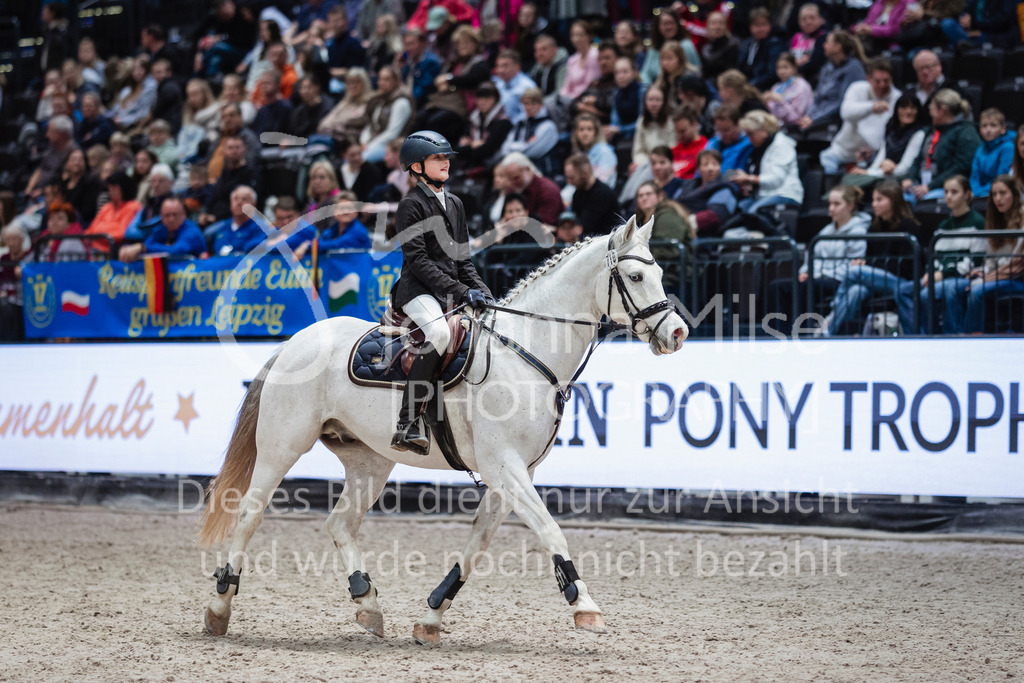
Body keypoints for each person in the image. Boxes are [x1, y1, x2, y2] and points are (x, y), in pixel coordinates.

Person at [387, 131, 493, 455]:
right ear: (417, 166)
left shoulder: (456, 204)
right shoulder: (410, 205)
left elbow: (463, 260)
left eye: (447, 157)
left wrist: (483, 292)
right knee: (439, 333)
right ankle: (407, 423)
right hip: (416, 290)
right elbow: (418, 262)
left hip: (447, 290)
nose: (446, 162)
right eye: (438, 158)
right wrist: (462, 291)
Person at [768, 185, 871, 335]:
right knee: (777, 286)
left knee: (806, 287)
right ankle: (777, 334)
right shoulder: (826, 230)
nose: (831, 208)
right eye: (830, 204)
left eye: (836, 204)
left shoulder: (858, 231)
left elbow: (853, 266)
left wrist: (817, 275)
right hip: (817, 277)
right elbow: (812, 256)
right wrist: (805, 271)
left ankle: (801, 333)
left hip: (838, 280)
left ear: (850, 206)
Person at [821, 181, 920, 335]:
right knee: (856, 291)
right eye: (873, 200)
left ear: (893, 201)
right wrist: (867, 263)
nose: (874, 204)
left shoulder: (908, 227)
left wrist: (869, 266)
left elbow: (905, 266)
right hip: (877, 279)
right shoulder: (875, 227)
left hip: (901, 282)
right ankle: (835, 334)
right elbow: (871, 257)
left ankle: (831, 315)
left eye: (879, 200)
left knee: (854, 272)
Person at [895, 175, 986, 333]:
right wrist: (930, 273)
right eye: (946, 192)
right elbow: (934, 256)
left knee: (940, 291)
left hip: (963, 277)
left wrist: (943, 274)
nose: (948, 196)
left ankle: (951, 336)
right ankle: (916, 335)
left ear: (967, 194)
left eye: (954, 192)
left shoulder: (977, 222)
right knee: (903, 290)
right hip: (938, 277)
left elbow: (976, 260)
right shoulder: (943, 225)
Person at [942, 175, 1024, 333]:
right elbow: (991, 259)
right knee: (954, 287)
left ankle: (973, 337)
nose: (998, 199)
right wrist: (983, 271)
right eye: (994, 194)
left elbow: (1017, 266)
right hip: (998, 275)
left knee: (977, 290)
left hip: (1017, 278)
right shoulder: (995, 220)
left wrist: (987, 278)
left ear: (1014, 194)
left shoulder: (1022, 219)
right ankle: (953, 335)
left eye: (1003, 193)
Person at [819, 57, 900, 174]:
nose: (882, 85)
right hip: (843, 152)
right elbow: (845, 112)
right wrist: (872, 107)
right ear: (869, 79)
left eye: (886, 80)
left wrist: (872, 152)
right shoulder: (857, 88)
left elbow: (888, 134)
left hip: (872, 158)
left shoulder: (897, 98)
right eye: (877, 81)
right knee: (826, 166)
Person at [902, 89, 980, 201]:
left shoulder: (966, 132)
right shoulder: (931, 131)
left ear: (942, 110)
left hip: (945, 188)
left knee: (923, 201)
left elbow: (961, 167)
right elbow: (918, 159)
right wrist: (909, 178)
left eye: (932, 108)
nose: (929, 112)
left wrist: (930, 186)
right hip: (921, 186)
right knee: (894, 199)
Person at [844, 94, 926, 189]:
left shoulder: (919, 133)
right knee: (852, 177)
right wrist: (872, 170)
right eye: (904, 107)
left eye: (912, 108)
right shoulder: (891, 127)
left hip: (902, 180)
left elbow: (904, 169)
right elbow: (882, 155)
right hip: (883, 174)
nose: (908, 111)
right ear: (897, 109)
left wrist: (869, 173)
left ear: (918, 111)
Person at [733, 110, 804, 213]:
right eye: (747, 135)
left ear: (764, 131)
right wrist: (748, 184)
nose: (749, 139)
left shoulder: (781, 145)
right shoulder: (759, 149)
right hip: (763, 196)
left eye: (751, 134)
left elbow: (776, 180)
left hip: (785, 195)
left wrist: (749, 178)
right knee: (738, 209)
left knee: (753, 213)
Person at [797, 30, 867, 131]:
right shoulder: (827, 67)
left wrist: (814, 120)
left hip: (837, 121)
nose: (824, 45)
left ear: (837, 47)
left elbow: (842, 103)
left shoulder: (853, 68)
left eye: (827, 42)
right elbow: (817, 98)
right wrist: (809, 116)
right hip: (818, 117)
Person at [634, 180, 694, 294]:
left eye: (648, 194)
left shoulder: (667, 215)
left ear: (660, 196)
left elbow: (668, 249)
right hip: (663, 276)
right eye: (640, 195)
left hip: (675, 277)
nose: (644, 198)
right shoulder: (641, 219)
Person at [676, 149, 740, 234]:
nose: (711, 168)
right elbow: (673, 204)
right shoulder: (687, 185)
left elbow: (714, 216)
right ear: (698, 169)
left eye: (715, 164)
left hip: (704, 235)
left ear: (720, 167)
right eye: (706, 164)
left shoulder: (724, 188)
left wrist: (681, 224)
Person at [499, 88, 560, 177]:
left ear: (541, 104)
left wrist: (514, 148)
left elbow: (532, 152)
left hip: (543, 172)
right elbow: (504, 148)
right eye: (526, 103)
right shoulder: (520, 123)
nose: (529, 107)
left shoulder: (548, 126)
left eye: (533, 103)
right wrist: (522, 146)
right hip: (520, 171)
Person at [361, 66, 413, 162]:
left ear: (396, 81)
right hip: (373, 142)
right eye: (380, 79)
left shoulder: (401, 102)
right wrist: (363, 141)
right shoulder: (380, 99)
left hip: (392, 146)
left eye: (386, 79)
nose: (381, 83)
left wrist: (370, 146)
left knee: (362, 160)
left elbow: (393, 133)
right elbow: (370, 125)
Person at [640, 8, 702, 86]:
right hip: (659, 88)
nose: (669, 27)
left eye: (671, 23)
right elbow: (645, 73)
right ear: (658, 26)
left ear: (677, 24)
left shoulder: (687, 45)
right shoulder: (654, 48)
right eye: (665, 24)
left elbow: (697, 71)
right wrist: (647, 88)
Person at [457, 83, 512, 168]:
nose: (482, 102)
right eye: (479, 98)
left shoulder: (503, 122)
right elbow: (461, 145)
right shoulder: (474, 118)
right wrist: (473, 145)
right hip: (472, 163)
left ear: (495, 100)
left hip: (493, 165)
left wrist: (469, 146)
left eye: (487, 98)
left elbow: (488, 150)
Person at [564, 153, 620, 237]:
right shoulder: (577, 194)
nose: (569, 182)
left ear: (585, 174)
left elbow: (586, 226)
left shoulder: (603, 194)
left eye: (572, 178)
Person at [86, 171, 141, 252]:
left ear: (124, 188)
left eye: (114, 188)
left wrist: (98, 233)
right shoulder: (106, 207)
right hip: (94, 250)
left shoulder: (133, 206)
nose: (110, 191)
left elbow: (122, 233)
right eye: (109, 188)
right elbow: (90, 231)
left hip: (116, 252)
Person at [317, 68, 373, 143]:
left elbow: (352, 122)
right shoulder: (344, 102)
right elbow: (323, 124)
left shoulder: (369, 102)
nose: (353, 86)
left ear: (364, 83)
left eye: (357, 82)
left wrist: (335, 124)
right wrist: (335, 125)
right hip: (333, 136)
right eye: (349, 83)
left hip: (351, 140)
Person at [970, 109, 1016, 199]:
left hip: (998, 193)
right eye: (984, 126)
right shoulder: (981, 148)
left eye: (993, 125)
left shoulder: (1008, 148)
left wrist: (982, 192)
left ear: (1003, 129)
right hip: (979, 194)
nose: (988, 130)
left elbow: (1001, 176)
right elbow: (974, 176)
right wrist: (976, 192)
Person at [208, 185, 266, 256]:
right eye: (235, 199)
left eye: (244, 199)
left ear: (254, 205)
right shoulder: (221, 228)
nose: (239, 202)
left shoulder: (262, 228)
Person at [737, 8, 786, 90]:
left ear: (770, 26)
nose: (760, 29)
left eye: (764, 25)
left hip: (765, 88)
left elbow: (771, 74)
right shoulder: (746, 44)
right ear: (750, 27)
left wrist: (750, 85)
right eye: (756, 25)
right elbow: (740, 67)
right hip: (745, 85)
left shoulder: (775, 45)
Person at [764, 53, 813, 127]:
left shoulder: (802, 86)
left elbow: (797, 117)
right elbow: (771, 113)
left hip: (794, 128)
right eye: (778, 68)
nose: (781, 71)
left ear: (794, 68)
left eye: (785, 67)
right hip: (776, 126)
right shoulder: (776, 87)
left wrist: (780, 101)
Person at [491, 49, 538, 126]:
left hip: (519, 129)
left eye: (505, 66)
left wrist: (507, 124)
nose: (500, 70)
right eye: (498, 66)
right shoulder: (497, 83)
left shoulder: (527, 87)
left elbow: (531, 113)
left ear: (517, 67)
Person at [571, 113, 617, 187]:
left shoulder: (605, 152)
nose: (585, 133)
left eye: (589, 129)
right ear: (576, 133)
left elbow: (604, 182)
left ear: (596, 132)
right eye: (581, 129)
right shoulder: (579, 154)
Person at [705, 104, 754, 175]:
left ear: (738, 125)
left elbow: (738, 174)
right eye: (718, 130)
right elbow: (699, 172)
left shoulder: (748, 145)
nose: (722, 135)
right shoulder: (712, 143)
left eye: (726, 130)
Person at [560, 21, 601, 103]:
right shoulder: (572, 60)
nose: (576, 39)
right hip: (572, 100)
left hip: (587, 98)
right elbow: (567, 86)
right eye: (573, 35)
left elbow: (590, 84)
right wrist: (562, 98)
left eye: (580, 35)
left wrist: (571, 99)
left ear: (589, 36)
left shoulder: (595, 55)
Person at [790, 3, 828, 84]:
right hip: (792, 79)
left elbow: (815, 63)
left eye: (812, 18)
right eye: (804, 19)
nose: (808, 22)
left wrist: (793, 66)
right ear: (799, 22)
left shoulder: (824, 38)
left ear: (821, 19)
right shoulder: (796, 37)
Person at [700, 11, 740, 82]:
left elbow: (731, 74)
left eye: (721, 23)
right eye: (713, 23)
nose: (717, 27)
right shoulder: (705, 48)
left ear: (726, 27)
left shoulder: (733, 45)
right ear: (707, 27)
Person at [671, 105, 708, 180]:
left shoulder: (706, 147)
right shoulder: (674, 150)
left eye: (683, 131)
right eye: (677, 132)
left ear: (694, 124)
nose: (679, 136)